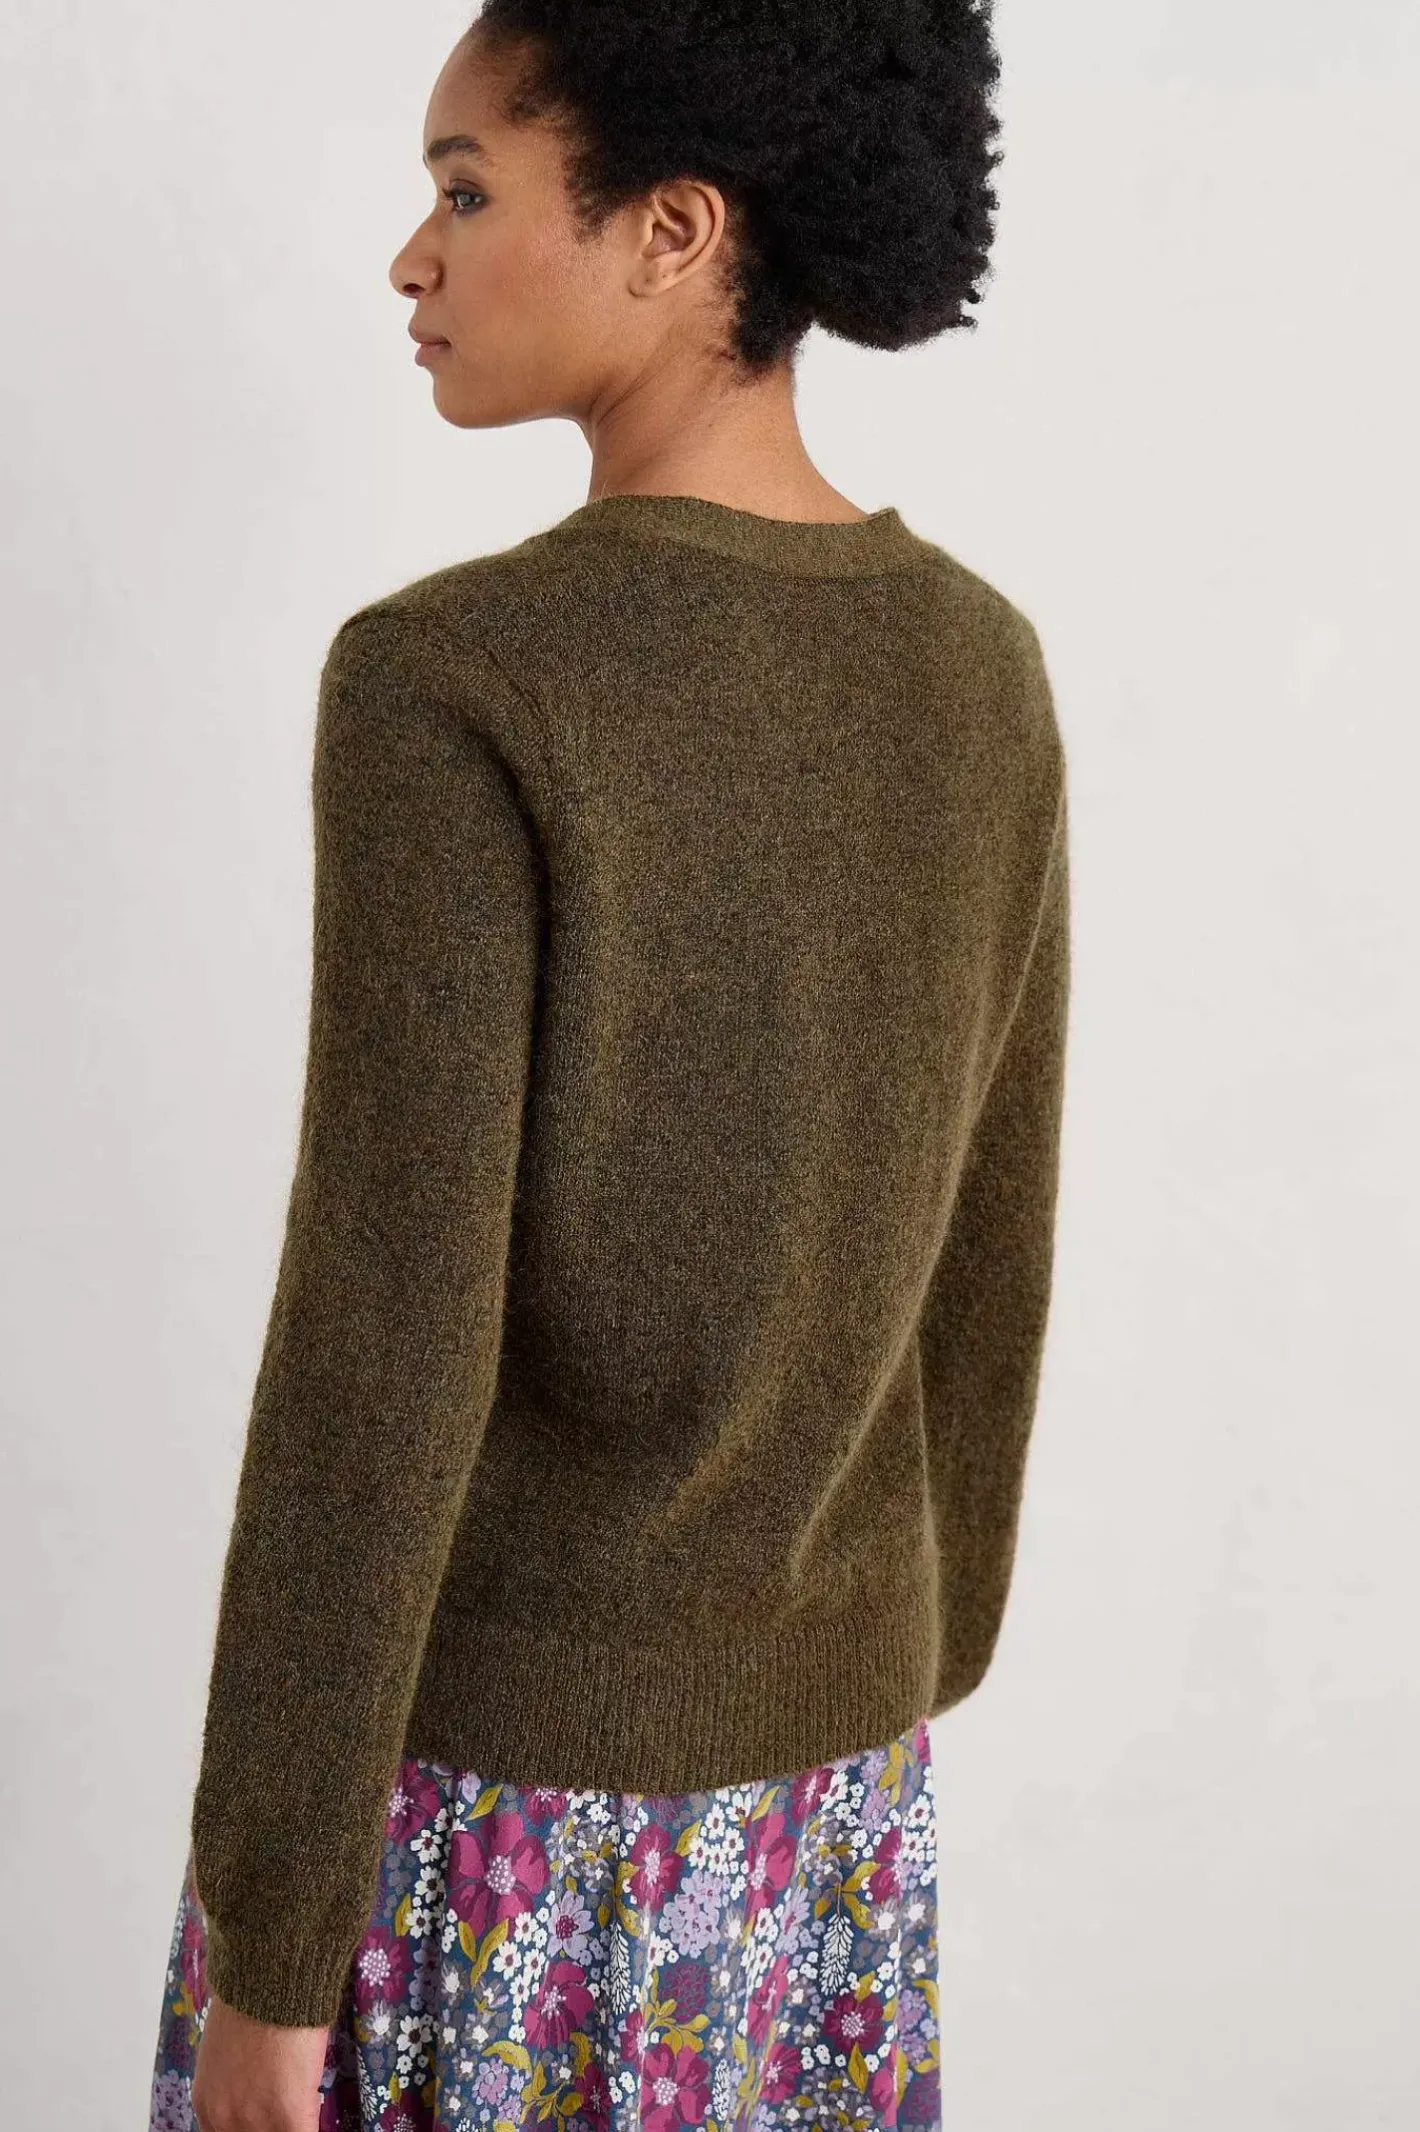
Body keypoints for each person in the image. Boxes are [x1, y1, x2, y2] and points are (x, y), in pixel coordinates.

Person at [149, 4, 1071, 2127]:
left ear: (672, 230)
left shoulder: (453, 682)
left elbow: (380, 1341)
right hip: (831, 1815)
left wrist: (274, 1934)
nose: (413, 255)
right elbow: (991, 1247)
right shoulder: (977, 665)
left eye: (467, 188)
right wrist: (893, 1662)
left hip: (499, 1837)